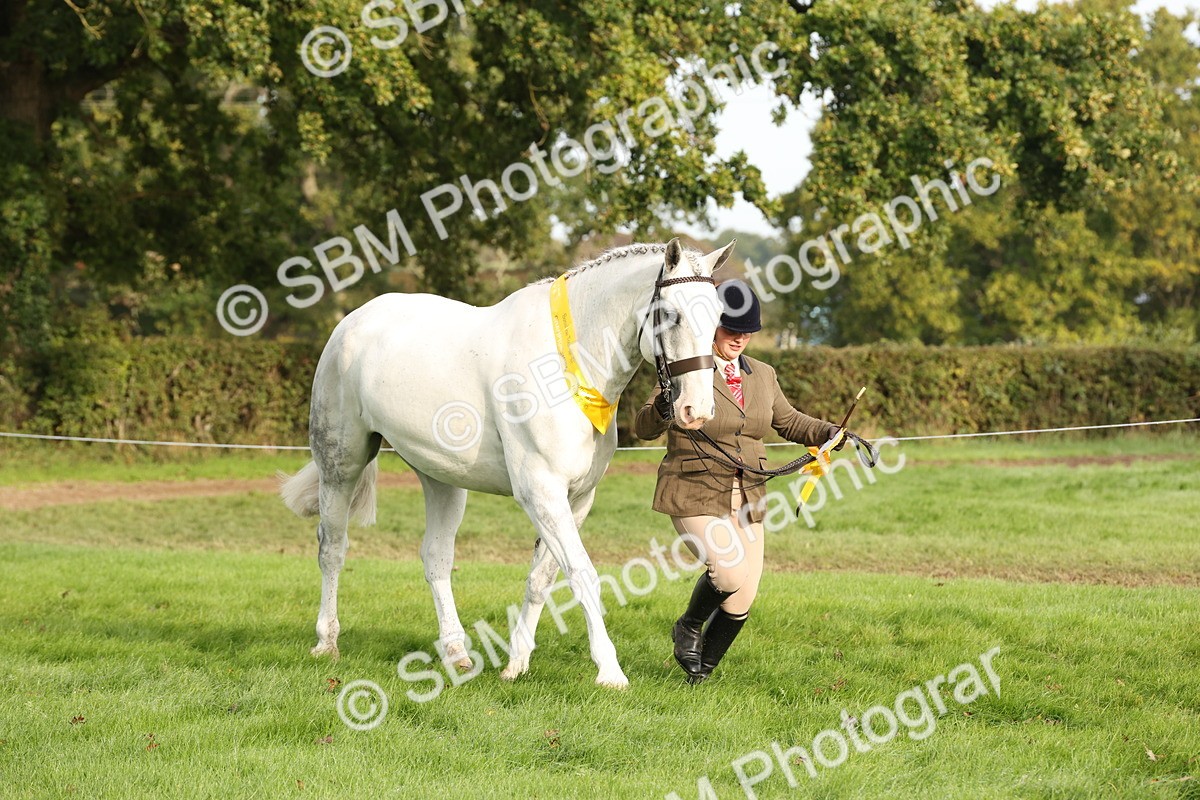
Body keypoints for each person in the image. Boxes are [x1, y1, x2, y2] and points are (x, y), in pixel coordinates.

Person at [634, 279, 844, 684]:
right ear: (711, 325)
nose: (741, 338)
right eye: (732, 329)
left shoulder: (763, 374)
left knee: (743, 597)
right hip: (694, 487)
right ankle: (688, 627)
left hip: (748, 493)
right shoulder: (685, 365)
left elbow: (789, 421)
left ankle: (701, 676)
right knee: (727, 574)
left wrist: (832, 431)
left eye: (748, 331)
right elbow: (643, 426)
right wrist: (663, 405)